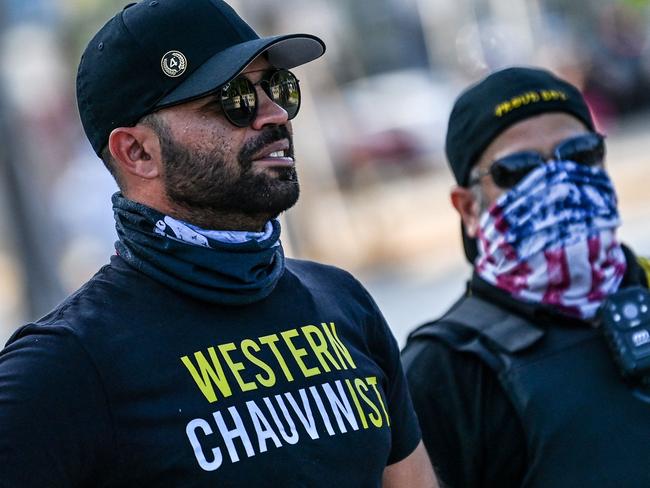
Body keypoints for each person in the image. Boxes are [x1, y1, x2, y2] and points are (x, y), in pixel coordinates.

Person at [0, 1, 437, 486]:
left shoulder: (343, 301)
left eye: (275, 87)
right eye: (232, 99)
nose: (273, 114)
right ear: (138, 152)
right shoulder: (66, 366)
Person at [402, 66, 650, 488]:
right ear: (468, 209)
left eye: (581, 154)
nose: (560, 181)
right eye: (516, 170)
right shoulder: (443, 372)